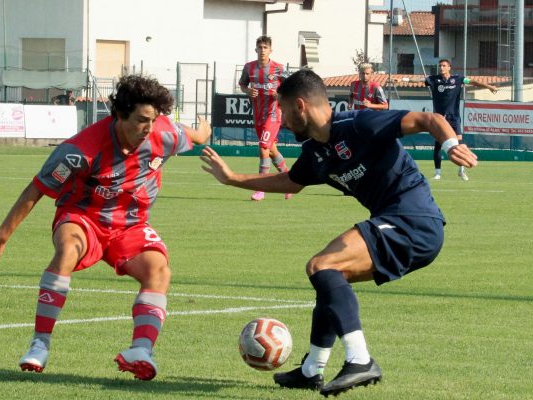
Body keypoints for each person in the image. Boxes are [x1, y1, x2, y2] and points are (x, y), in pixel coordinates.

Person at [201, 69, 477, 397]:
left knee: (323, 266)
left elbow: (428, 118)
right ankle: (311, 370)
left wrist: (450, 145)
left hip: (413, 221)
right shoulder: (316, 152)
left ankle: (360, 360)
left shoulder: (358, 125)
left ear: (301, 106)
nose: (284, 122)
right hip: (398, 222)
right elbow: (291, 182)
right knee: (330, 279)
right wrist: (233, 179)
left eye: (284, 112)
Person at [0, 74, 211, 381]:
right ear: (120, 114)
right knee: (68, 250)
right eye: (141, 120)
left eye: (153, 120)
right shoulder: (79, 150)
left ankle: (141, 350)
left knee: (159, 270)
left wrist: (203, 129)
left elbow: (196, 136)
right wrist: (2, 235)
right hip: (83, 217)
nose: (148, 129)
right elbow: (36, 189)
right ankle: (40, 343)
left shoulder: (161, 134)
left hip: (131, 225)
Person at [398, 58, 497, 180]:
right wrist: (404, 79)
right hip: (439, 118)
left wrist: (488, 86)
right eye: (440, 65)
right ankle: (437, 172)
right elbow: (418, 80)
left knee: (459, 144)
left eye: (444, 65)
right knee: (438, 144)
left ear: (449, 67)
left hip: (454, 118)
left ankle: (461, 170)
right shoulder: (434, 80)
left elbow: (473, 82)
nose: (441, 67)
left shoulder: (458, 79)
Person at [239, 35, 292, 201]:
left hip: (274, 114)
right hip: (258, 114)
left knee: (263, 147)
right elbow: (242, 85)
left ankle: (261, 189)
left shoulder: (278, 68)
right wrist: (248, 91)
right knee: (271, 150)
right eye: (260, 48)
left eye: (265, 48)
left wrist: (281, 94)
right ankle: (290, 181)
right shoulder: (249, 68)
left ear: (270, 50)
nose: (262, 51)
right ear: (256, 50)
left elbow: (291, 86)